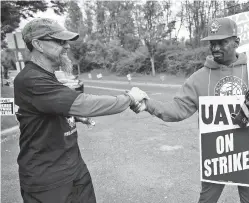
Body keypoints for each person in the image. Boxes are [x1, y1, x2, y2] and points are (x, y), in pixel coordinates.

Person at [131, 17, 249, 203]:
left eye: (222, 42)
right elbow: (177, 110)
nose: (216, 48)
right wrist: (148, 104)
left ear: (236, 42)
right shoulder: (199, 78)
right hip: (216, 155)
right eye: (213, 43)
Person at [14, 18, 148, 203]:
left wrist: (74, 117)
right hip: (47, 179)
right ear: (38, 44)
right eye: (60, 41)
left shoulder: (46, 76)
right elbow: (84, 103)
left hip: (74, 169)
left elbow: (48, 109)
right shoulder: (31, 79)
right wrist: (130, 98)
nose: (67, 46)